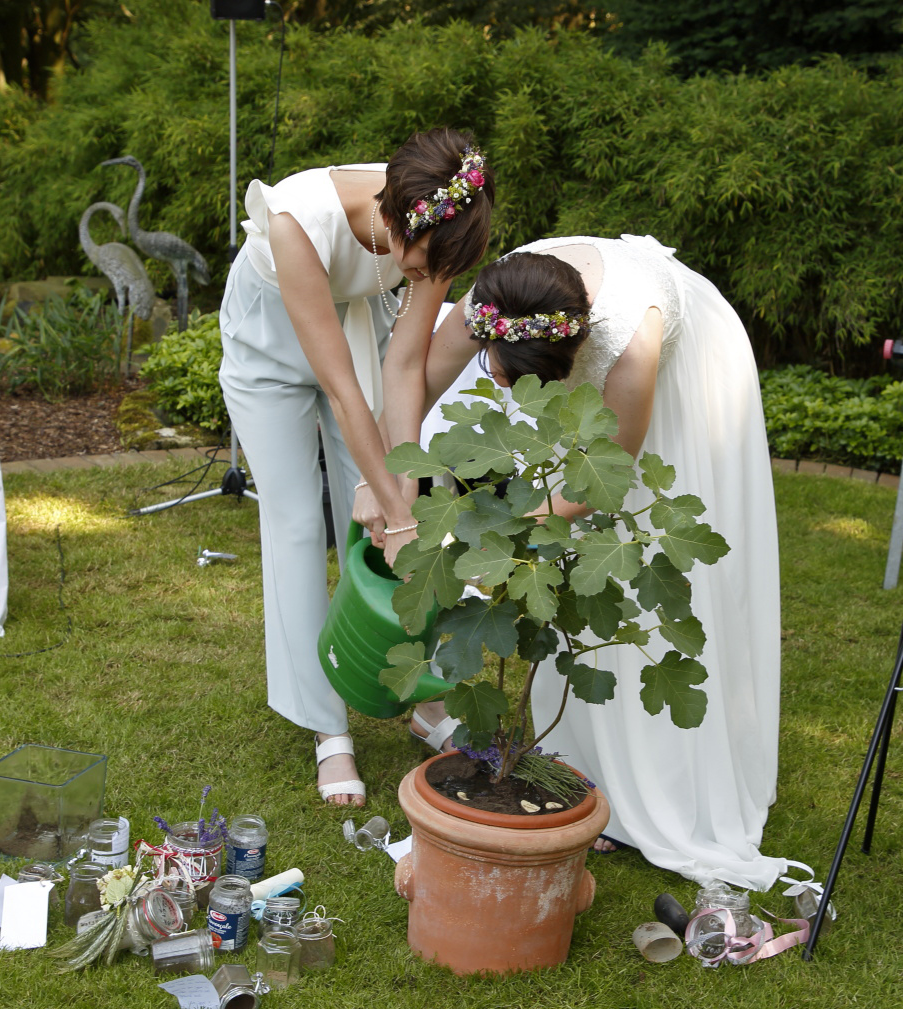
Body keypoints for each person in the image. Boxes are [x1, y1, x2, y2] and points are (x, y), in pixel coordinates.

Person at [415, 235, 789, 891]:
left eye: (508, 379)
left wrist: (498, 534)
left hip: (690, 368)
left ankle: (665, 781)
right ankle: (578, 756)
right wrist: (403, 490)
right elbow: (416, 379)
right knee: (570, 558)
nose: (497, 385)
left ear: (566, 360)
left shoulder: (629, 343)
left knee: (628, 555)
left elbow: (604, 481)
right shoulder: (495, 301)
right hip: (584, 348)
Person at [219, 129, 493, 806]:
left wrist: (399, 487)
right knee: (295, 527)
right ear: (396, 223)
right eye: (421, 266)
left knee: (401, 502)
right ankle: (327, 727)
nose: (425, 277)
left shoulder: (442, 220)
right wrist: (395, 514)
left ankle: (422, 701)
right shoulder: (296, 222)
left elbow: (402, 367)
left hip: (362, 330)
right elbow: (342, 391)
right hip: (268, 344)